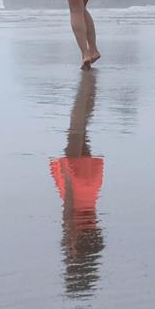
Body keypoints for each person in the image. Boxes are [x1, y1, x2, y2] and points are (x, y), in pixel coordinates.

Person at [49, 69, 106, 297]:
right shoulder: (76, 240)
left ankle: (88, 93)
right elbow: (69, 212)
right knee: (76, 128)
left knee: (81, 132)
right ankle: (85, 93)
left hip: (90, 188)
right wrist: (66, 176)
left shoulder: (92, 240)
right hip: (77, 186)